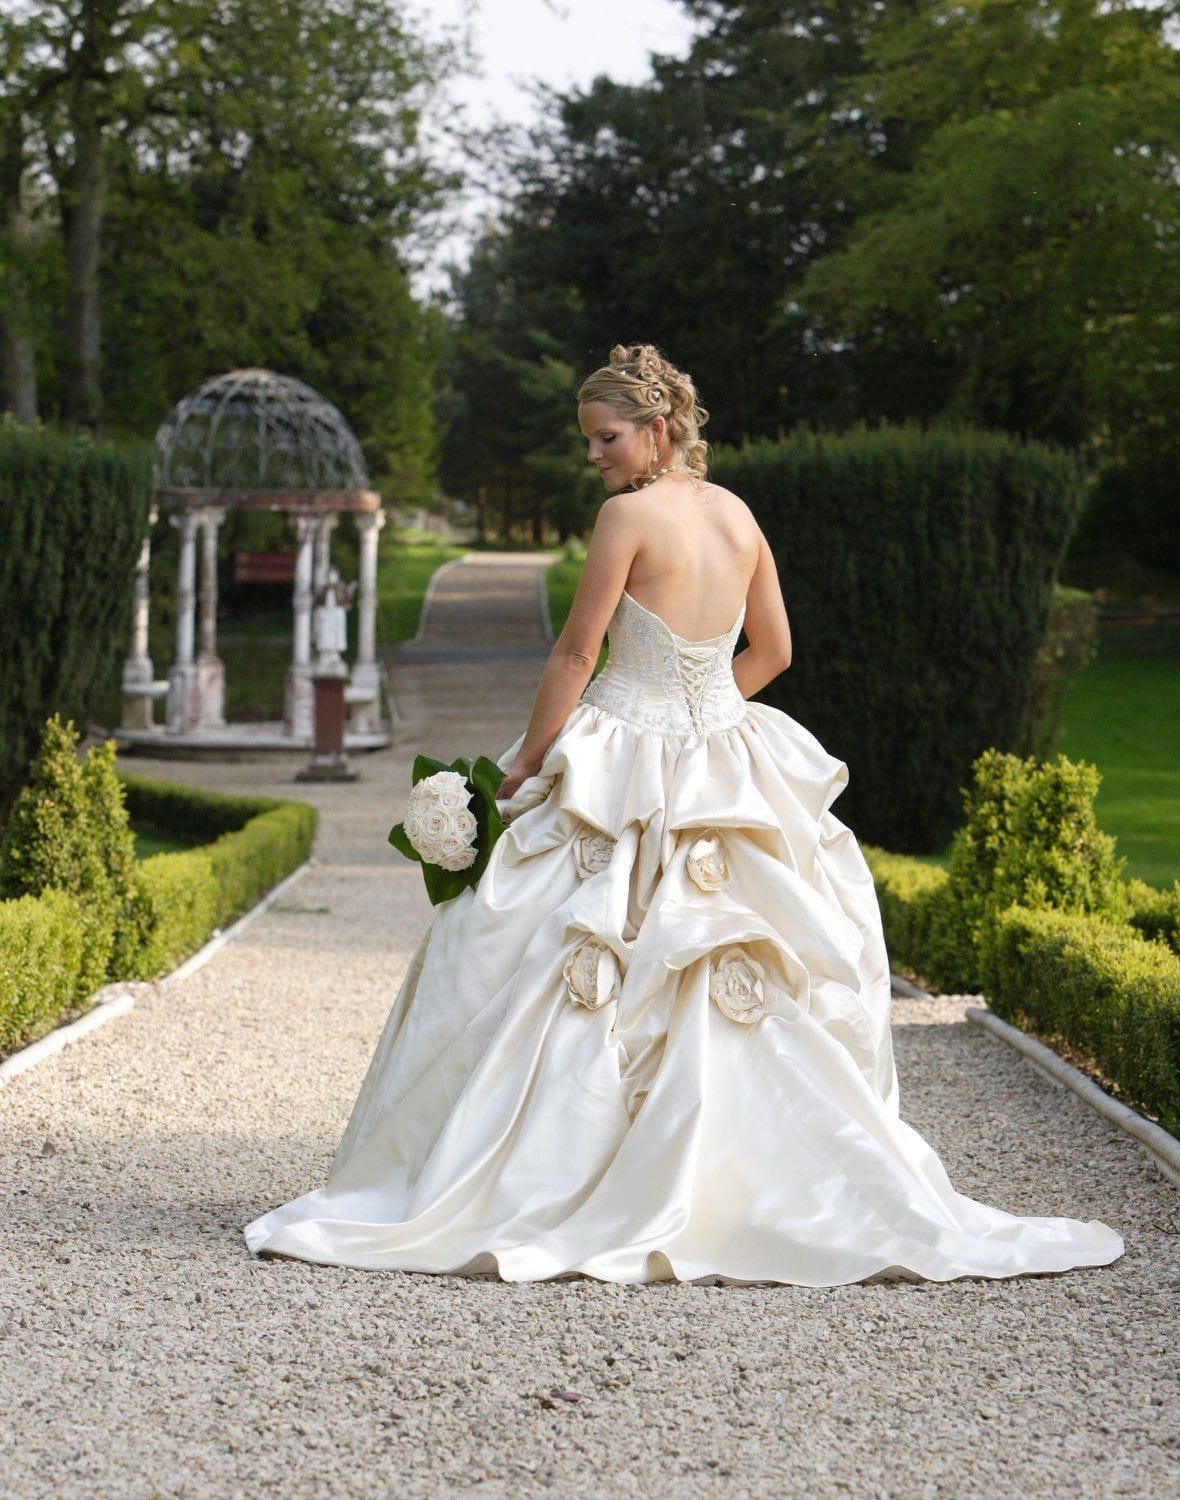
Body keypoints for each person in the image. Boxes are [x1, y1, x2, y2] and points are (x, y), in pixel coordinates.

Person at [244, 343, 1124, 1286]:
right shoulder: (737, 515)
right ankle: (745, 1186)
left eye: (606, 438)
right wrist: (705, 715)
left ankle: (552, 1175)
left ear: (658, 428)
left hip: (622, 749)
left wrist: (534, 763)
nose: (595, 456)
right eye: (589, 441)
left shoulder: (627, 518)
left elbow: (577, 657)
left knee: (529, 946)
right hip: (725, 754)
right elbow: (774, 649)